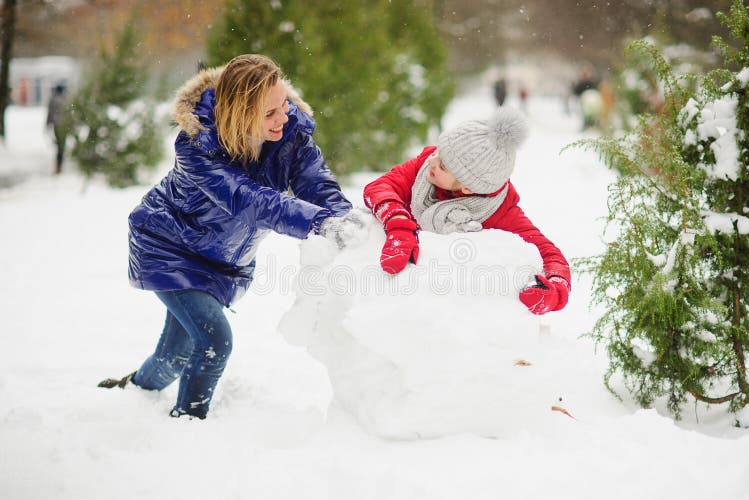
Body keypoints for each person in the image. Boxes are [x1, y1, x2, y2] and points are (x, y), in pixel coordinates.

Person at [98, 54, 360, 419]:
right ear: (238, 113)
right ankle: (188, 420)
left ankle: (135, 390)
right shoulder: (196, 148)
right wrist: (320, 224)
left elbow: (318, 186)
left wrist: (346, 223)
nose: (283, 116)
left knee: (174, 353)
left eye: (284, 104)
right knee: (214, 342)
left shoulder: (290, 134)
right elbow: (250, 201)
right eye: (269, 113)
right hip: (170, 248)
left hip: (221, 261)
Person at [363, 107, 570, 315]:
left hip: (448, 307)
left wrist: (555, 293)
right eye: (438, 152)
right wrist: (398, 224)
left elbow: (551, 255)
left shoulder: (501, 212)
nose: (432, 161)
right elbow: (379, 187)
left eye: (443, 165)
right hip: (397, 298)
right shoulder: (424, 168)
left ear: (468, 188)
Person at [46, 83, 69, 174]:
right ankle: (59, 165)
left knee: (60, 146)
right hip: (64, 125)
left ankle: (58, 166)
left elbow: (50, 113)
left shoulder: (53, 100)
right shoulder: (66, 100)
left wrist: (47, 124)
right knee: (61, 146)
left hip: (57, 125)